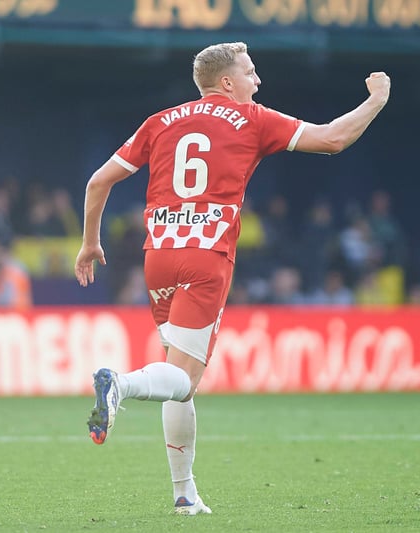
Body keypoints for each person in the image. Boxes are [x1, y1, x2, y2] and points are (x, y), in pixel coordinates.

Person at [74, 41, 390, 515]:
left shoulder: (160, 121)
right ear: (227, 82)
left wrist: (89, 243)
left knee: (177, 373)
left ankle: (184, 494)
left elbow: (98, 181)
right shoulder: (253, 118)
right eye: (250, 72)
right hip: (207, 257)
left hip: (158, 257)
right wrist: (376, 100)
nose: (257, 81)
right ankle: (119, 384)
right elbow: (332, 139)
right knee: (183, 380)